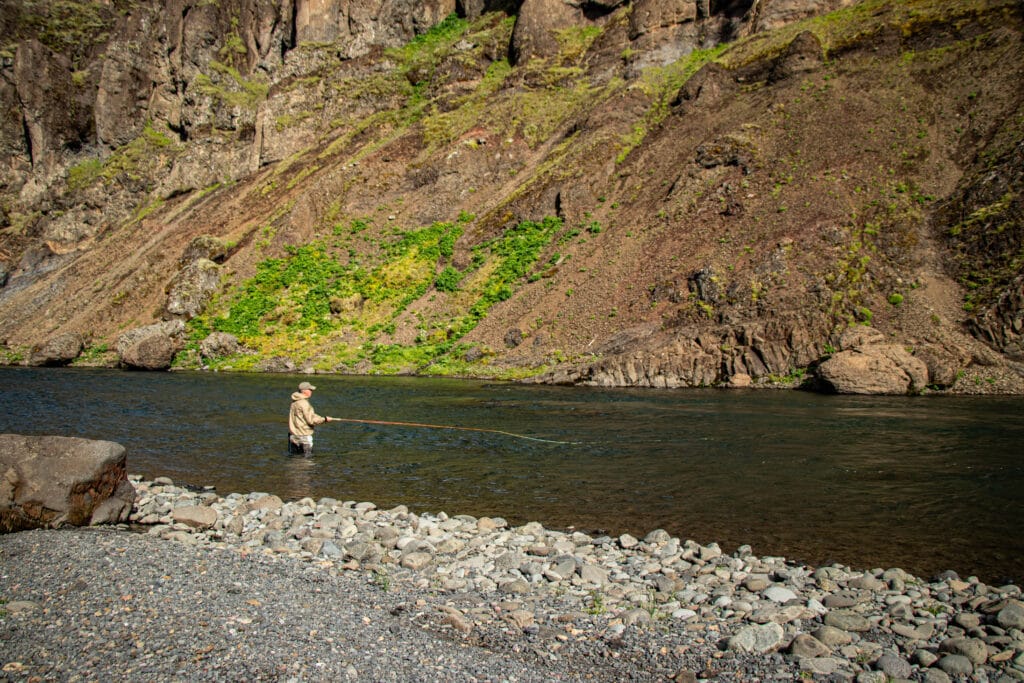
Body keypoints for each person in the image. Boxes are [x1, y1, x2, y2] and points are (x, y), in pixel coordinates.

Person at [288, 381, 332, 455]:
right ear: (305, 391)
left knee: (294, 459)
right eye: (310, 390)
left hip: (293, 435)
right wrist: (325, 419)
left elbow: (306, 416)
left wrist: (321, 417)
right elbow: (311, 420)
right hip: (304, 436)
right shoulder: (304, 403)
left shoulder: (294, 402)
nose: (311, 392)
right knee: (307, 461)